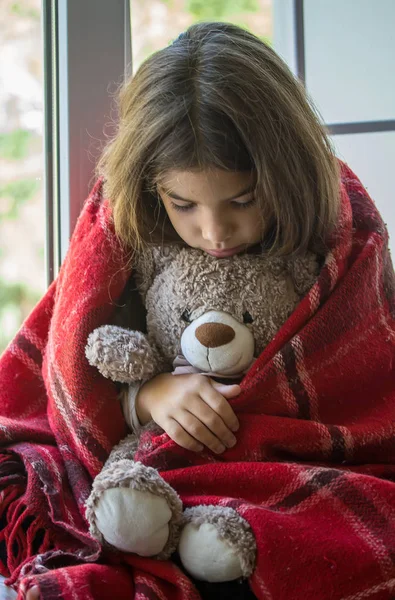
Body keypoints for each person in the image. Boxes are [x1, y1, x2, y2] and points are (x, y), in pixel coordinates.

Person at [15, 20, 390, 600]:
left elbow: (369, 382)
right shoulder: (125, 221)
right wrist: (144, 397)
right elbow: (72, 368)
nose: (214, 231)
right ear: (152, 190)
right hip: (149, 459)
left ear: (286, 175)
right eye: (184, 205)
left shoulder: (342, 230)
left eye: (243, 200)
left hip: (302, 465)